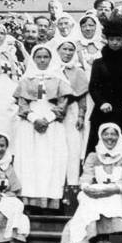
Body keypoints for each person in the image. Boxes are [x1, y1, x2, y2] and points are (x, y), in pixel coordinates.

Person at [60, 123, 122, 243]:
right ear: (100, 136)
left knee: (113, 199)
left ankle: (109, 240)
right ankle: (98, 240)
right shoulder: (93, 156)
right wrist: (86, 188)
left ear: (119, 137)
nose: (109, 137)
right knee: (90, 200)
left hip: (121, 192)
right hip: (99, 191)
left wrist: (112, 190)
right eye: (106, 134)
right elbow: (86, 176)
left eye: (113, 134)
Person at [13, 44, 73, 209]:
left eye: (45, 57)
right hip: (29, 123)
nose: (42, 60)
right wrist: (34, 118)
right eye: (38, 57)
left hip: (51, 124)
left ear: (51, 58)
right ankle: (29, 201)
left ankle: (50, 201)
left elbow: (63, 104)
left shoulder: (59, 80)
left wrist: (48, 118)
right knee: (29, 161)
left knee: (50, 161)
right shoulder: (26, 80)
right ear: (33, 59)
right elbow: (22, 104)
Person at [87, 16, 122, 176]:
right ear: (107, 40)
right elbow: (93, 87)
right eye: (112, 39)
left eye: (118, 39)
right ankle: (98, 181)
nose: (115, 43)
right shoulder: (99, 63)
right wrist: (101, 103)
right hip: (104, 113)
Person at [55, 39, 89, 203]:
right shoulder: (51, 70)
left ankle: (71, 189)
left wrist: (81, 115)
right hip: (53, 112)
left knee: (73, 149)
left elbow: (82, 96)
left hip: (72, 111)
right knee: (57, 149)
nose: (67, 52)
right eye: (64, 49)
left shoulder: (78, 71)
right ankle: (55, 189)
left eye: (70, 50)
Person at [75, 13, 104, 159]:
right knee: (82, 119)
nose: (87, 28)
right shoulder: (76, 45)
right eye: (84, 25)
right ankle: (81, 157)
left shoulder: (102, 45)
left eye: (91, 25)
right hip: (82, 86)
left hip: (99, 88)